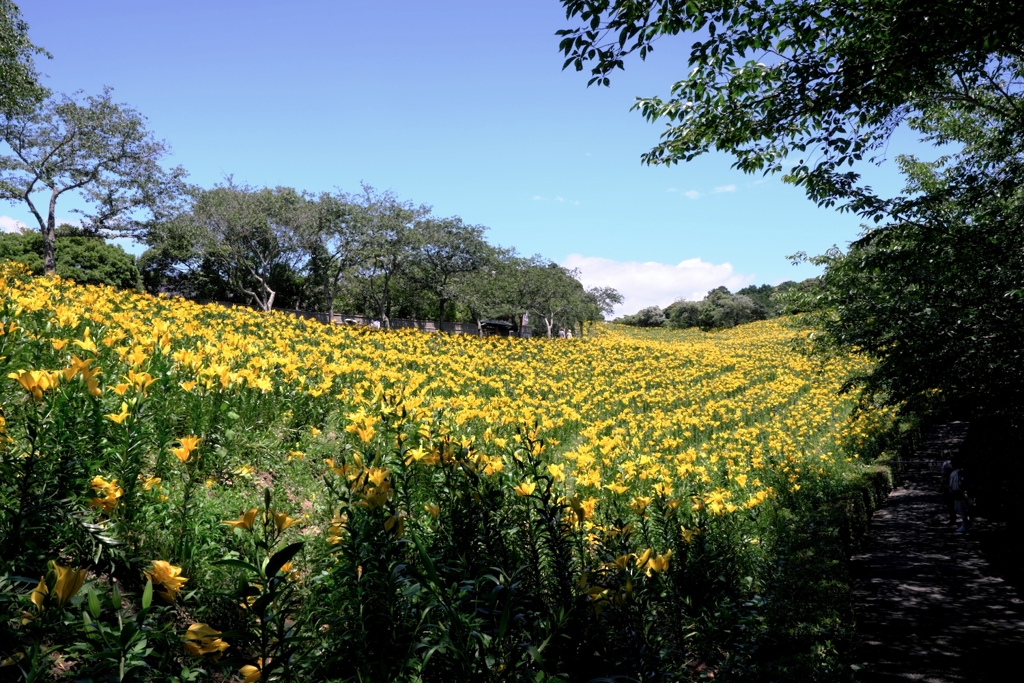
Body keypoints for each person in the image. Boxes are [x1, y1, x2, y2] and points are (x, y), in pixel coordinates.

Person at [948, 456, 971, 532]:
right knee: (958, 508)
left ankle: (965, 524)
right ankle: (966, 523)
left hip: (960, 493)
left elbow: (962, 482)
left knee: (963, 509)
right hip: (956, 493)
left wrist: (964, 491)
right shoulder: (954, 472)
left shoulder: (960, 473)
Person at [940, 453, 958, 524]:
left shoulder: (945, 464)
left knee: (950, 503)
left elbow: (943, 475)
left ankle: (953, 518)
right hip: (956, 485)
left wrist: (943, 485)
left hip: (948, 486)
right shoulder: (955, 464)